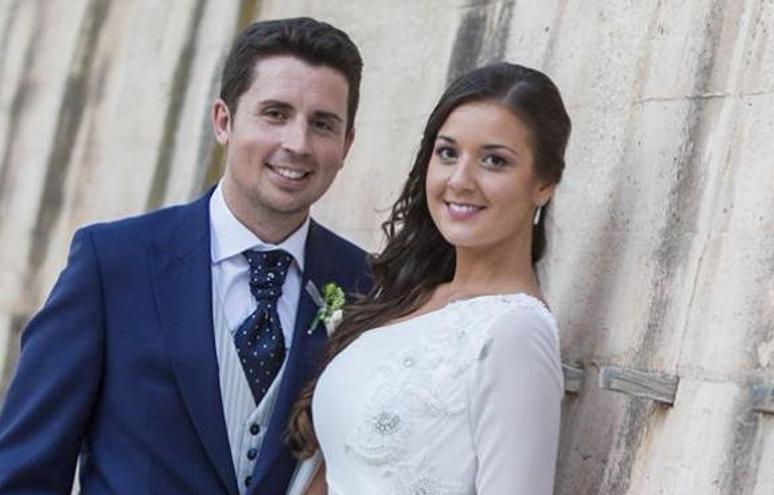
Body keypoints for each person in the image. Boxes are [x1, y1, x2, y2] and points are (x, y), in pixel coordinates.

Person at [0, 17, 370, 494]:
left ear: (347, 144)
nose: (297, 144)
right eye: (275, 114)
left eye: (322, 124)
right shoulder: (112, 264)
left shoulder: (367, 286)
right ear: (224, 121)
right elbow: (22, 474)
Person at [286, 62, 571, 494]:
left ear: (544, 184)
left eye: (494, 161)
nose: (460, 180)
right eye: (448, 153)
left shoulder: (516, 331)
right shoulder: (406, 298)